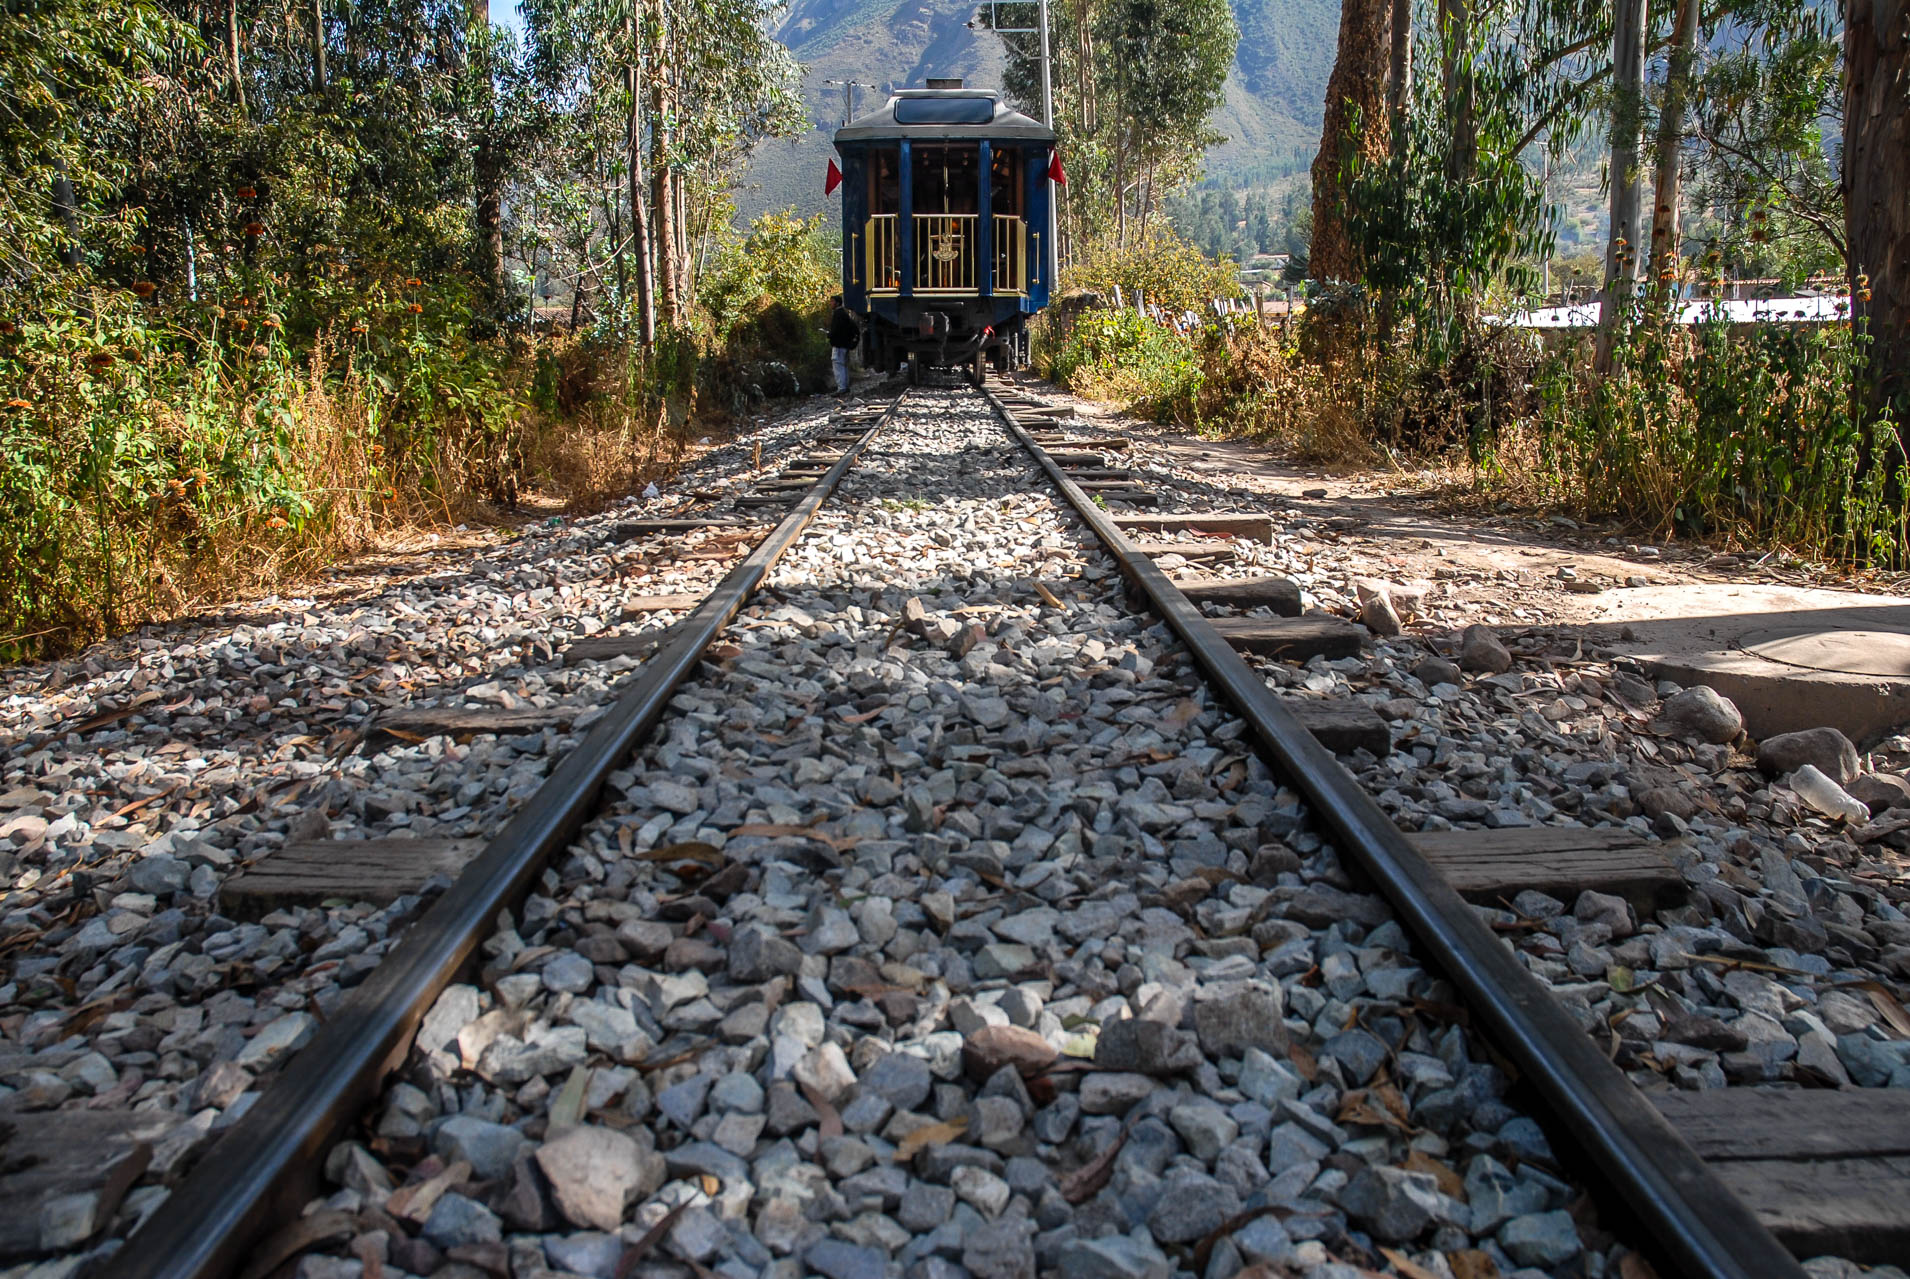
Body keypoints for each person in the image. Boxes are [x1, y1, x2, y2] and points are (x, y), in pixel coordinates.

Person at [827, 296, 860, 395]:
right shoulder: (844, 314)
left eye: (832, 301)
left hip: (839, 345)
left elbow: (836, 330)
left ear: (837, 303)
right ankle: (845, 386)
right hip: (845, 344)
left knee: (838, 365)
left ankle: (842, 388)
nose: (830, 303)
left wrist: (830, 335)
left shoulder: (838, 314)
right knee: (843, 365)